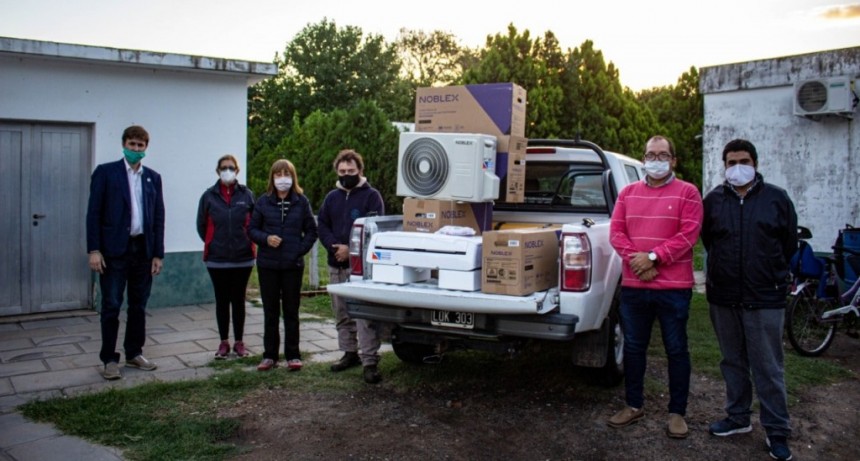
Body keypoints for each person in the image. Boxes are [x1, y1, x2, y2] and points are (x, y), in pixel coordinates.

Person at [702, 139, 796, 461]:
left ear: (755, 163)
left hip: (765, 297)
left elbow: (788, 244)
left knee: (768, 366)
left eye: (743, 160)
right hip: (724, 297)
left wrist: (771, 275)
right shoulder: (713, 200)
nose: (737, 167)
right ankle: (738, 418)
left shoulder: (776, 199)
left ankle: (777, 430)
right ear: (724, 166)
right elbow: (708, 241)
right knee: (732, 361)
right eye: (730, 162)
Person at [607, 135, 703, 438]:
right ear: (644, 158)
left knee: (676, 349)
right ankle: (633, 405)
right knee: (634, 348)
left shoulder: (688, 192)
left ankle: (677, 413)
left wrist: (653, 258)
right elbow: (616, 232)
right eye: (651, 155)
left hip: (674, 289)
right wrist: (639, 263)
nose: (656, 160)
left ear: (673, 160)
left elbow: (689, 235)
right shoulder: (627, 194)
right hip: (636, 287)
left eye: (663, 155)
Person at [86, 125, 165, 380]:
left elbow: (158, 218)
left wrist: (158, 254)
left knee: (138, 306)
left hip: (143, 250)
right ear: (124, 145)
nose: (136, 149)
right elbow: (94, 213)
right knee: (111, 305)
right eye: (132, 144)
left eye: (140, 146)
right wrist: (94, 249)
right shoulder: (106, 173)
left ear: (146, 148)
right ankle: (109, 358)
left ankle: (134, 352)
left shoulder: (153, 177)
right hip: (114, 251)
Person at [317, 149, 385, 384]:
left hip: (361, 269)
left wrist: (350, 249)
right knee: (342, 313)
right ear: (337, 171)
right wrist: (333, 247)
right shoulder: (331, 198)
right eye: (342, 171)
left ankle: (369, 361)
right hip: (335, 264)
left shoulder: (371, 196)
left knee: (363, 316)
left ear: (360, 171)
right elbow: (322, 224)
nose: (346, 175)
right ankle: (349, 353)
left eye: (351, 171)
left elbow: (373, 228)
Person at [249, 159, 318, 372]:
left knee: (291, 311)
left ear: (293, 177)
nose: (282, 179)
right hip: (268, 264)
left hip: (292, 265)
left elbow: (312, 232)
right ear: (272, 178)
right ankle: (269, 355)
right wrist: (266, 238)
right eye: (278, 175)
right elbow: (252, 230)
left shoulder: (301, 201)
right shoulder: (263, 202)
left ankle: (293, 355)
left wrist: (298, 249)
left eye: (286, 174)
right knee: (270, 311)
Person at [196, 154, 256, 359]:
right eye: (224, 167)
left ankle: (239, 342)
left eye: (231, 167)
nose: (227, 170)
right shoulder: (208, 196)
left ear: (237, 171)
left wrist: (247, 242)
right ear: (217, 171)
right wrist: (214, 242)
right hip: (217, 258)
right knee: (222, 300)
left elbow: (254, 223)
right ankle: (223, 342)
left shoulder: (247, 195)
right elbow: (201, 226)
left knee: (238, 300)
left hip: (243, 257)